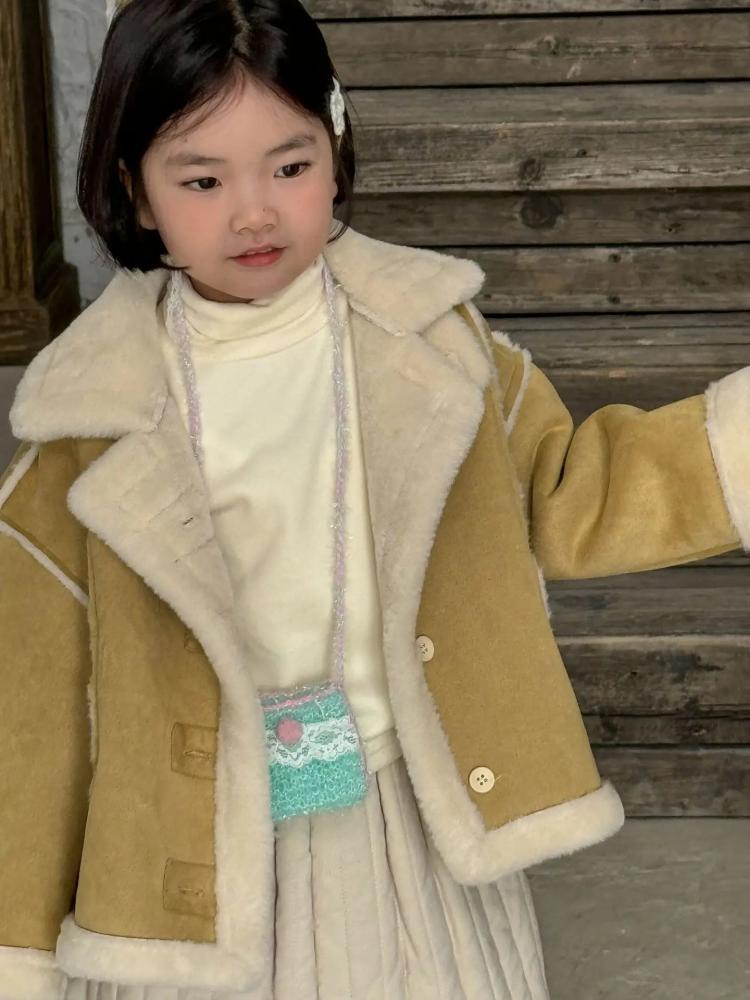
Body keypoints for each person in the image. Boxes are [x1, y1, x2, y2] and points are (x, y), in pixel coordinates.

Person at [0, 1, 747, 998]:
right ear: (135, 190)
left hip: (406, 825)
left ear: (336, 149)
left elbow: (572, 490)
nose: (254, 211)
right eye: (203, 180)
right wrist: (21, 950)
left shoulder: (433, 346)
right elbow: (38, 716)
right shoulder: (84, 422)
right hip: (196, 862)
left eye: (290, 165)